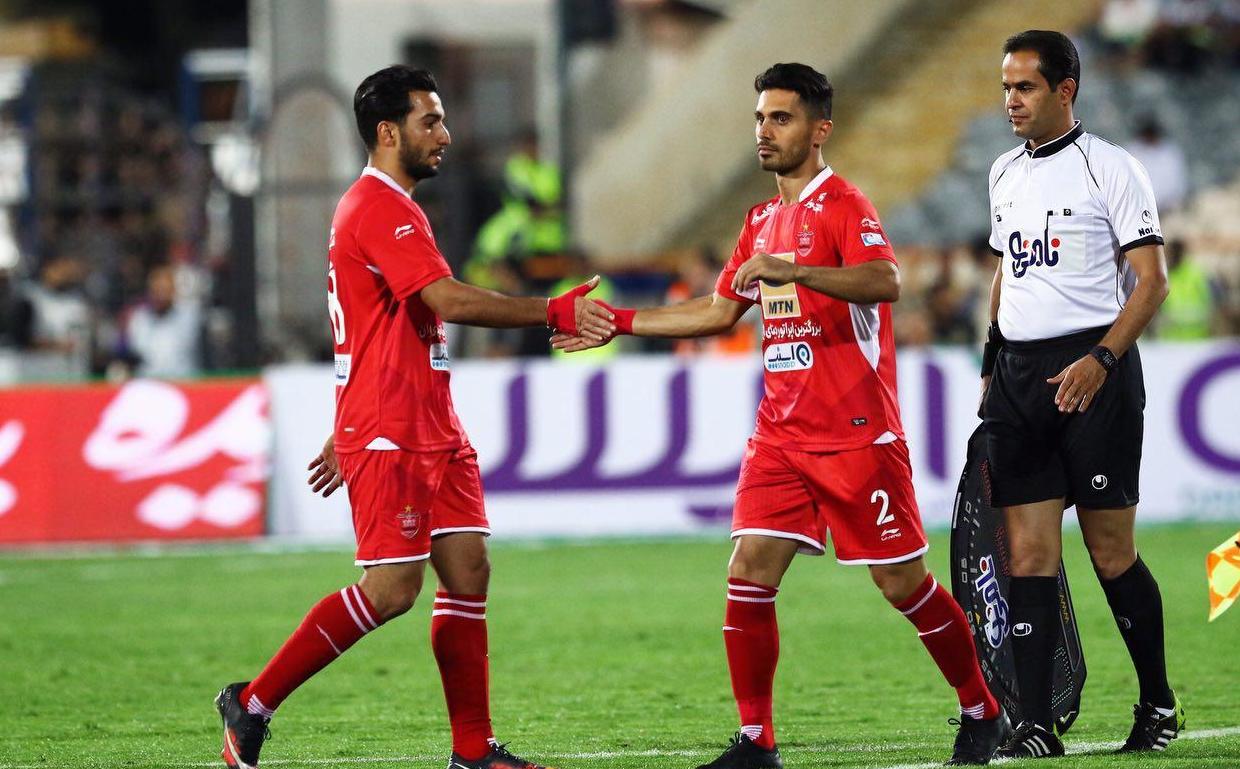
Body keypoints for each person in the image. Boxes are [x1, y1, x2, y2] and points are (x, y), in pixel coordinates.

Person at [555, 62, 1010, 768]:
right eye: (760, 118)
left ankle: (983, 708)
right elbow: (717, 311)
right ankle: (755, 741)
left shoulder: (844, 204)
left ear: (820, 129)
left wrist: (795, 271)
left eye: (781, 118)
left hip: (856, 433)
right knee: (748, 570)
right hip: (781, 434)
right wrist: (618, 320)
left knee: (902, 584)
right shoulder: (760, 221)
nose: (764, 132)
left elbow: (885, 280)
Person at [214, 65, 613, 769]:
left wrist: (345, 421)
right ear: (389, 132)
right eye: (430, 120)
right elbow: (446, 300)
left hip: (428, 420)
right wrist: (552, 310)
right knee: (392, 590)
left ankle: (473, 752)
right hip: (392, 427)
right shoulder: (378, 206)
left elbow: (369, 330)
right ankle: (252, 703)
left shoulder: (392, 207)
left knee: (468, 569)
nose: (445, 134)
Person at [980, 30, 1184, 758]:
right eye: (1006, 87)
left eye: (1025, 87)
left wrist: (1102, 359)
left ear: (1065, 89)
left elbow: (1152, 282)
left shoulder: (1113, 168)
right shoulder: (1003, 171)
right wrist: (991, 358)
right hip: (1019, 379)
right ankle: (1035, 724)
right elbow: (1006, 272)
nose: (1011, 100)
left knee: (1109, 551)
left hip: (1096, 373)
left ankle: (1158, 703)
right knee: (1028, 554)